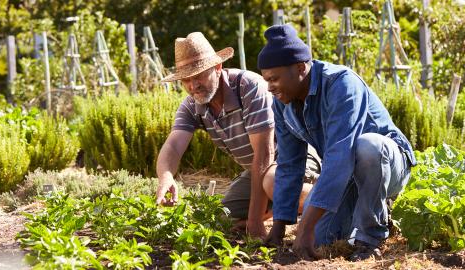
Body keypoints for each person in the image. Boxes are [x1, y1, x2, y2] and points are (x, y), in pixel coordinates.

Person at [257, 24, 416, 261]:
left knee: (367, 146)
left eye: (274, 79)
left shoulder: (341, 84)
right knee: (321, 238)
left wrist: (305, 226)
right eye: (266, 80)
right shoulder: (283, 103)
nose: (269, 87)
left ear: (300, 68)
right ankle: (362, 213)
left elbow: (340, 155)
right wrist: (279, 228)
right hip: (347, 174)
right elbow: (290, 164)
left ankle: (370, 237)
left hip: (388, 164)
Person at [155, 32, 321, 239]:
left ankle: (334, 210)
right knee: (222, 217)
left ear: (217, 68)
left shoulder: (248, 87)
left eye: (198, 75)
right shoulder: (192, 105)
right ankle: (276, 211)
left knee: (272, 182)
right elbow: (173, 146)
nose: (192, 85)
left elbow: (265, 153)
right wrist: (166, 177)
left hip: (294, 160)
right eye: (186, 80)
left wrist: (254, 220)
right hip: (257, 170)